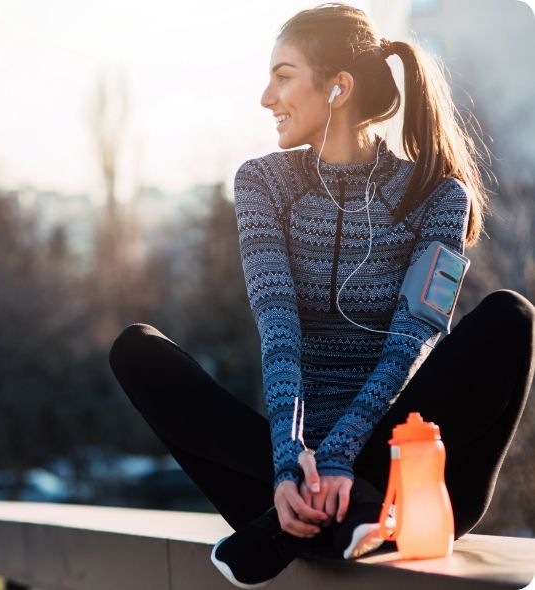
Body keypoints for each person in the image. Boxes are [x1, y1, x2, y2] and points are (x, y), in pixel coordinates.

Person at [108, 2, 535, 588]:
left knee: (510, 316)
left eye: (283, 76)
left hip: (412, 478)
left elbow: (413, 341)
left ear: (338, 88)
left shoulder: (437, 194)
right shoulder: (263, 184)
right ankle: (342, 514)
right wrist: (291, 465)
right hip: (283, 479)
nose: (266, 97)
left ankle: (325, 515)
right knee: (137, 351)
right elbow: (279, 333)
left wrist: (340, 458)